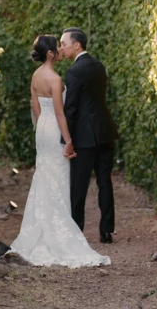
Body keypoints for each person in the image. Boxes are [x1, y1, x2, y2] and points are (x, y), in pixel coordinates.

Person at [8, 35, 110, 268]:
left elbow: (36, 108)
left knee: (44, 176)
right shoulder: (55, 79)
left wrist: (42, 128)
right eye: (58, 46)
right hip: (54, 130)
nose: (61, 49)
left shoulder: (35, 77)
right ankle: (59, 230)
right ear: (51, 54)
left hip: (41, 130)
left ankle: (41, 229)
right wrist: (69, 141)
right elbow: (60, 113)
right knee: (59, 178)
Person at [60, 27, 117, 244]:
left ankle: (76, 230)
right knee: (105, 182)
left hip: (84, 137)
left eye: (64, 44)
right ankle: (106, 230)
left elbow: (71, 108)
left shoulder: (74, 71)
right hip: (105, 131)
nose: (61, 48)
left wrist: (67, 140)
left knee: (79, 185)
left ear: (77, 45)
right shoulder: (99, 66)